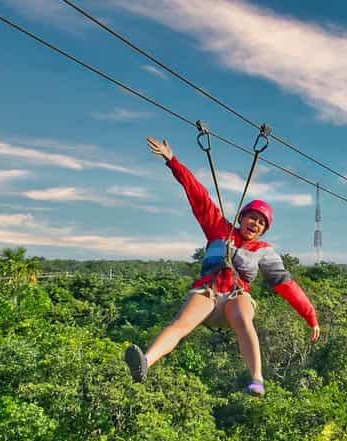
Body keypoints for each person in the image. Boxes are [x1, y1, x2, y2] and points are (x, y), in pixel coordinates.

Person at [123, 138, 320, 396]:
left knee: (243, 317)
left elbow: (286, 284)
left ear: (264, 230)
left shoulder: (264, 251)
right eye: (252, 217)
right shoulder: (219, 229)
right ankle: (146, 362)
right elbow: (197, 195)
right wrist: (172, 161)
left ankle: (257, 379)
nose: (256, 224)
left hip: (235, 299)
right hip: (208, 293)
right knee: (182, 323)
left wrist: (310, 316)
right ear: (242, 218)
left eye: (261, 223)